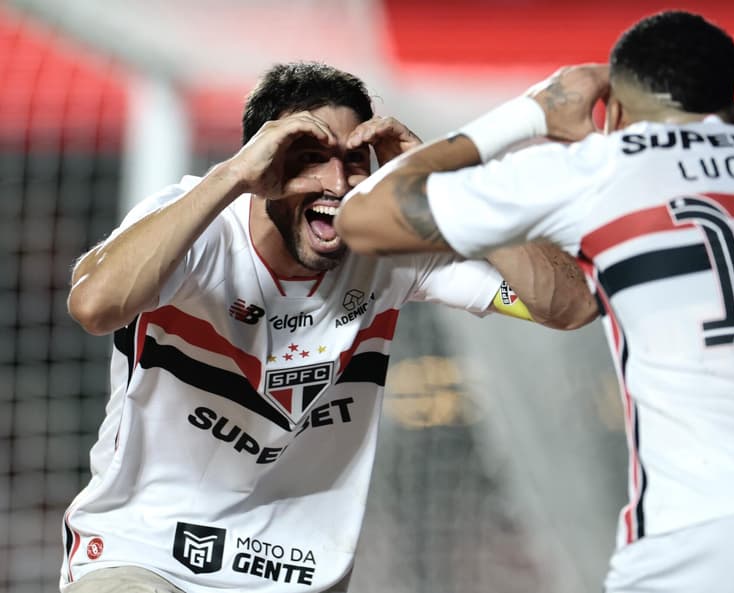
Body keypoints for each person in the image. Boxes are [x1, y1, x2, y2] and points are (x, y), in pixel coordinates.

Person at [335, 11, 734, 593]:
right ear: (733, 109)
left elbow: (366, 219)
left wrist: (529, 114)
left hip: (713, 525)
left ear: (617, 111)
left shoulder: (602, 165)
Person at [62, 61, 596, 593]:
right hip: (145, 557)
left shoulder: (391, 248)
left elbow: (567, 305)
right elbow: (94, 305)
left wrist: (450, 183)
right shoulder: (195, 227)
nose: (337, 183)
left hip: (298, 574)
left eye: (352, 162)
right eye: (310, 159)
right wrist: (232, 176)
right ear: (261, 163)